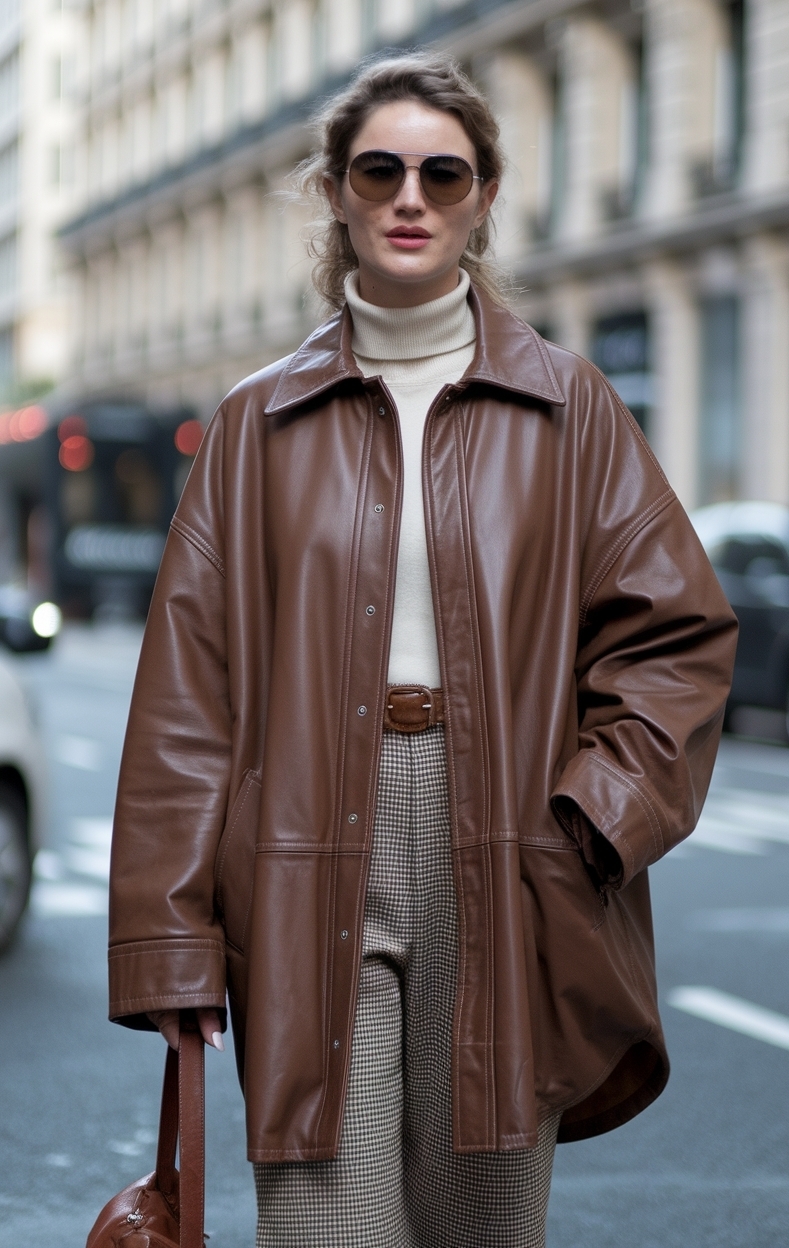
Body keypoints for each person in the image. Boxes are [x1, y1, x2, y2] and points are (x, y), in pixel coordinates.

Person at [108, 52, 737, 1248]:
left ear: (483, 196)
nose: (410, 197)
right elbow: (189, 697)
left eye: (442, 174)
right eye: (379, 169)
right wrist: (171, 943)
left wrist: (589, 821)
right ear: (338, 193)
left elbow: (679, 636)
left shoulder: (567, 406)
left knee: (482, 1226)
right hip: (297, 845)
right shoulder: (256, 423)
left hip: (507, 841)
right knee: (321, 1224)